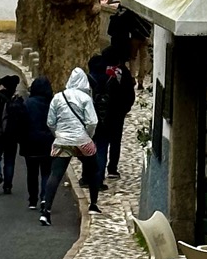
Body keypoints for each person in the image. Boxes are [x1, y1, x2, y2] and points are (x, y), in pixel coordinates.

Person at [39, 66, 100, 225]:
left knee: (55, 174)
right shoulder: (86, 98)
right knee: (93, 169)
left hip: (62, 141)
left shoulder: (58, 97)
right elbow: (92, 122)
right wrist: (88, 136)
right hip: (82, 140)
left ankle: (46, 212)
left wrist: (58, 135)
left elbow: (50, 122)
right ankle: (93, 204)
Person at [93, 44, 137, 181]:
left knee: (100, 143)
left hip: (99, 113)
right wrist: (125, 109)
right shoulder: (122, 72)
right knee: (115, 142)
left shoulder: (97, 70)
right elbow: (130, 94)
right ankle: (112, 169)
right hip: (117, 113)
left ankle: (97, 171)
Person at [11, 75, 54, 209]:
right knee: (46, 172)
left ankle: (32, 200)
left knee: (32, 172)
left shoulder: (27, 103)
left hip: (30, 143)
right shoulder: (53, 104)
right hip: (47, 142)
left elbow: (21, 123)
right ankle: (44, 197)